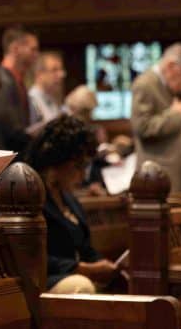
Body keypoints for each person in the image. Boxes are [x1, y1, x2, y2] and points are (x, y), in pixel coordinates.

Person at [26, 115, 118, 293]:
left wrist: (104, 266)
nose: (83, 176)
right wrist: (81, 268)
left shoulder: (68, 198)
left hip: (72, 276)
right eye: (79, 166)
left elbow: (85, 248)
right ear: (56, 160)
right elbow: (30, 256)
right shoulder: (28, 195)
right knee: (81, 286)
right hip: (40, 280)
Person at [131, 42, 181, 192]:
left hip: (176, 169)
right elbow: (142, 128)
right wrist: (175, 114)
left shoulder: (169, 84)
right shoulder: (145, 84)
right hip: (158, 175)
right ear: (171, 66)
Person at [0, 25, 39, 153]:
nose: (36, 55)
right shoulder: (1, 80)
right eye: (32, 49)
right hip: (5, 157)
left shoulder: (17, 80)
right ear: (15, 48)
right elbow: (4, 129)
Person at [28, 51, 66, 130]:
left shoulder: (52, 99)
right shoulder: (31, 101)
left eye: (61, 70)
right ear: (40, 74)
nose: (61, 74)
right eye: (54, 70)